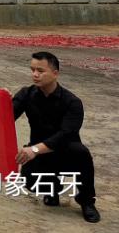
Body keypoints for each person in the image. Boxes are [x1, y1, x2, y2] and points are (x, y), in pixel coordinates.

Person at [12, 52, 99, 224]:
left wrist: (34, 150)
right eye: (32, 70)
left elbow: (65, 135)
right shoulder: (26, 94)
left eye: (40, 71)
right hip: (39, 151)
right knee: (29, 182)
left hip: (66, 149)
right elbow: (6, 117)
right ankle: (52, 189)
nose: (35, 75)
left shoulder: (72, 102)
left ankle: (86, 201)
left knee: (82, 153)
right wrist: (2, 100)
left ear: (55, 73)